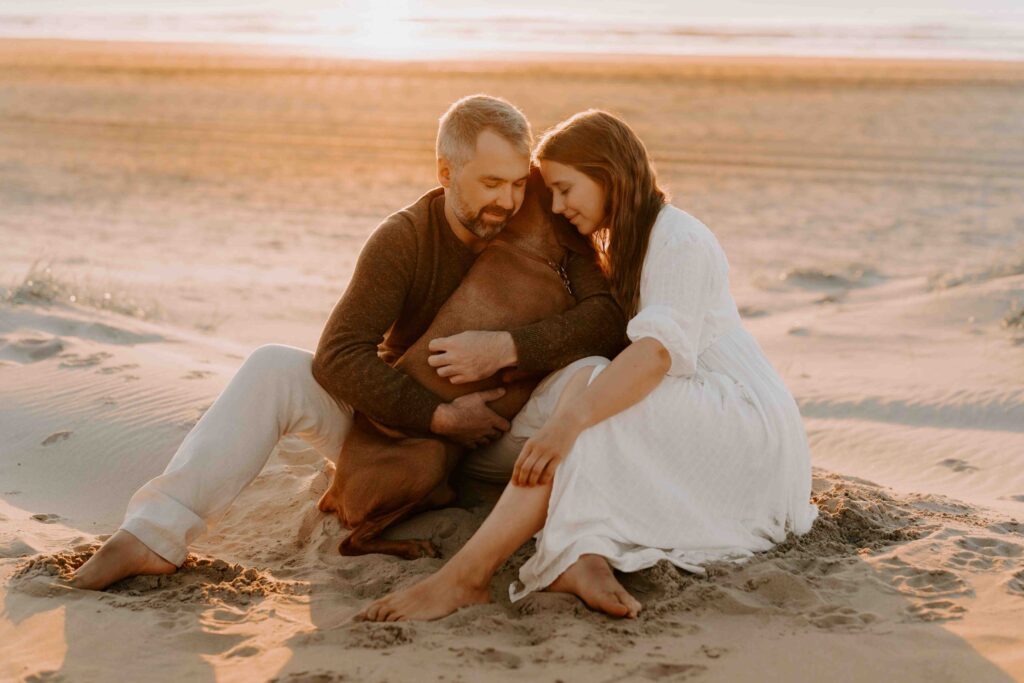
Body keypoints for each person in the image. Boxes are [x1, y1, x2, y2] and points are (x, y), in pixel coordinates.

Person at [69, 96, 626, 591]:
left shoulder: (539, 212)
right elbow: (339, 356)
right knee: (271, 366)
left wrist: (508, 347)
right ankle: (151, 535)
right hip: (395, 434)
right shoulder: (403, 239)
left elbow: (605, 316)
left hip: (504, 437)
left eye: (516, 182)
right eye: (488, 184)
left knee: (597, 372)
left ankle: (582, 547)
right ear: (445, 171)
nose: (506, 201)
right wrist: (437, 417)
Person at [358, 109, 820, 622]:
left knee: (588, 404)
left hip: (739, 417)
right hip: (696, 401)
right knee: (588, 396)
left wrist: (568, 422)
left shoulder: (680, 239)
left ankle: (466, 576)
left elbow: (655, 354)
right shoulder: (633, 239)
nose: (555, 206)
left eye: (565, 189)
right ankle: (579, 555)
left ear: (608, 176)